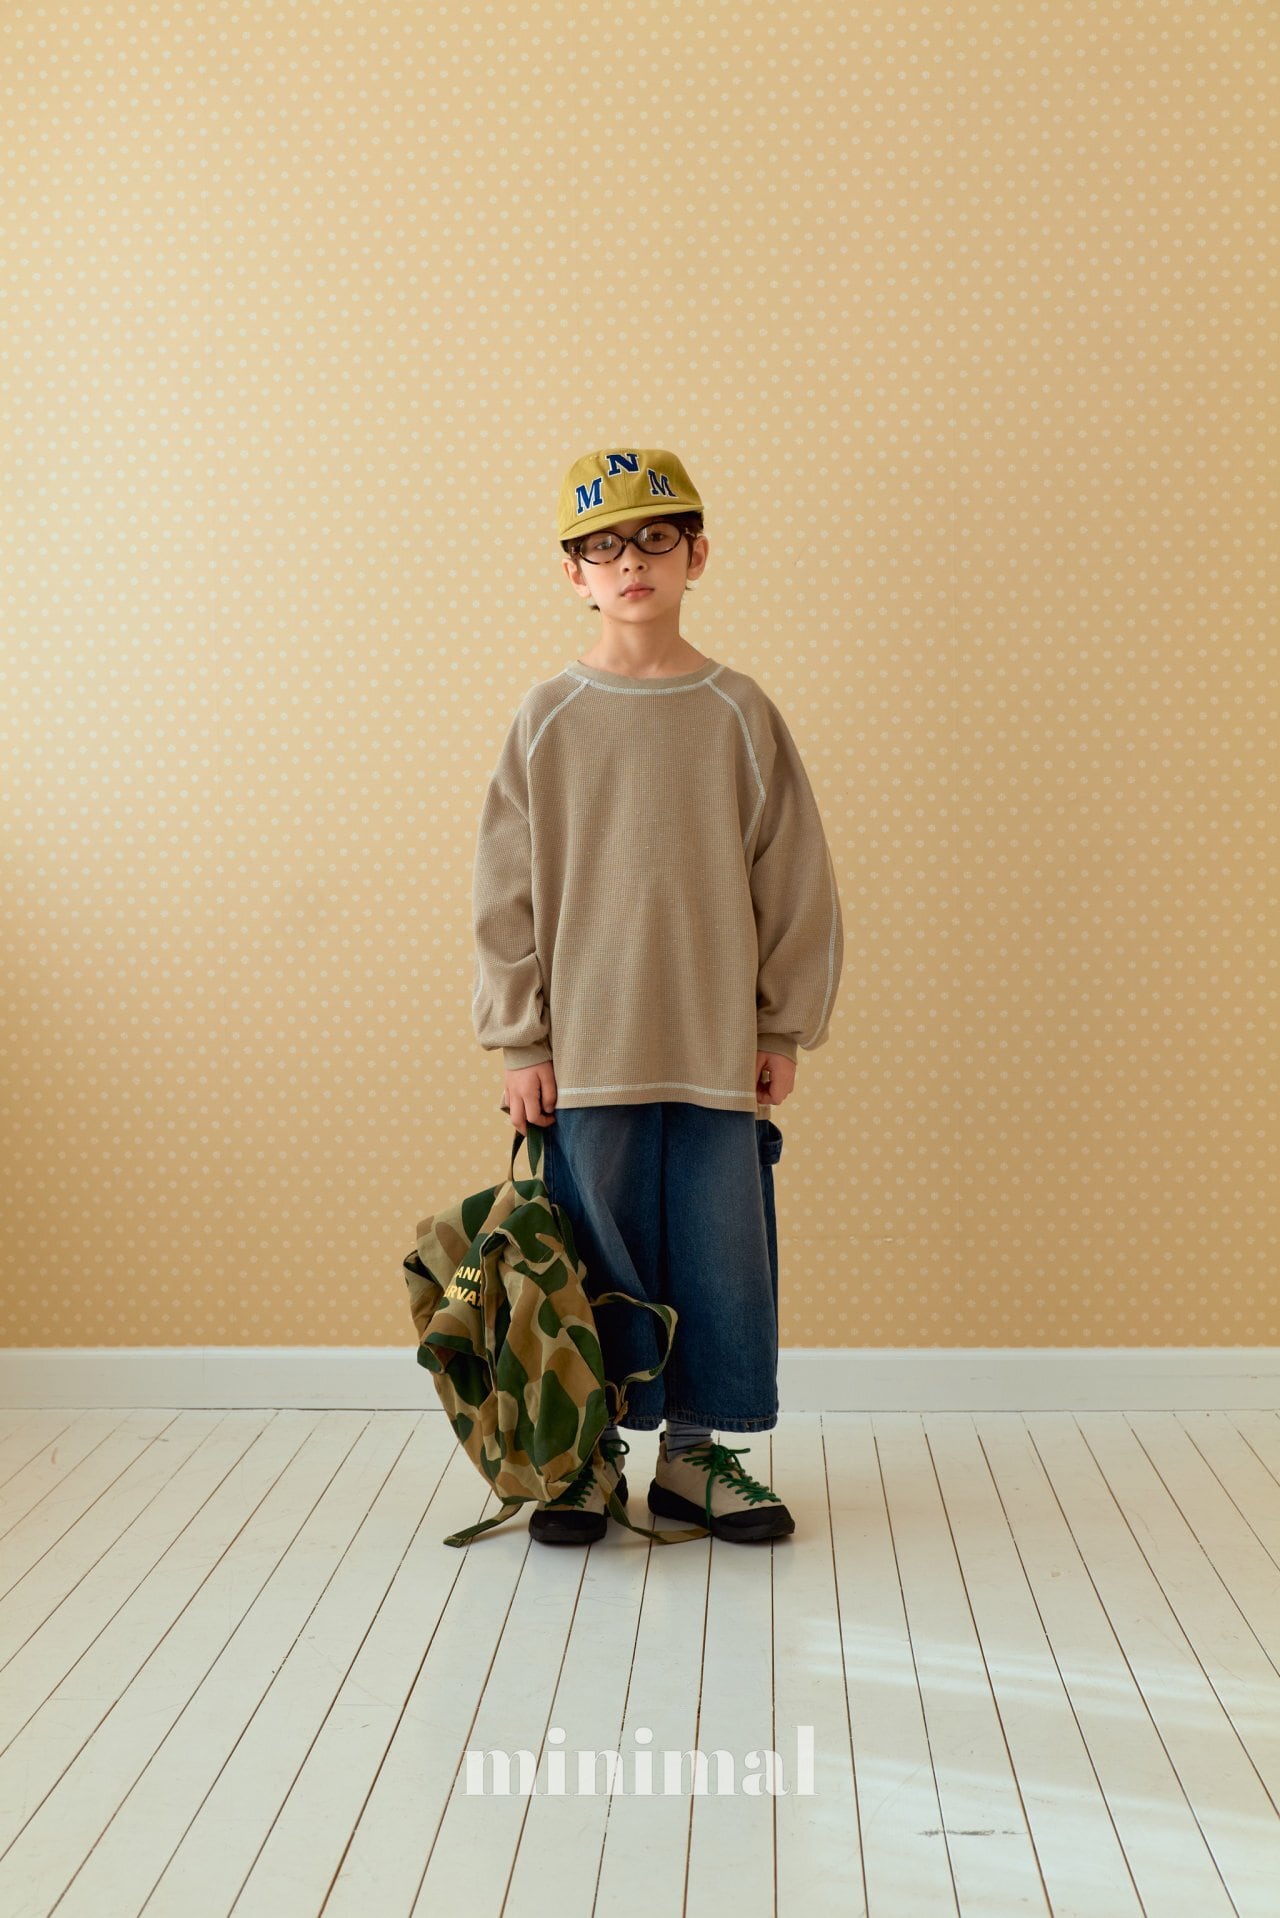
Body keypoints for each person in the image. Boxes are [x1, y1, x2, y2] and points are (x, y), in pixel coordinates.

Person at [470, 446, 844, 1546]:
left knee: (722, 1260)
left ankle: (693, 1458)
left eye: (654, 538)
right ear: (573, 573)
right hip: (586, 1054)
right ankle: (586, 1457)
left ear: (696, 555)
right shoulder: (547, 716)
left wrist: (782, 1023)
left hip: (716, 1049)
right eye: (603, 546)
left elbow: (795, 876)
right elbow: (503, 891)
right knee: (593, 1259)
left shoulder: (738, 711)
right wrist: (519, 1039)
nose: (629, 562)